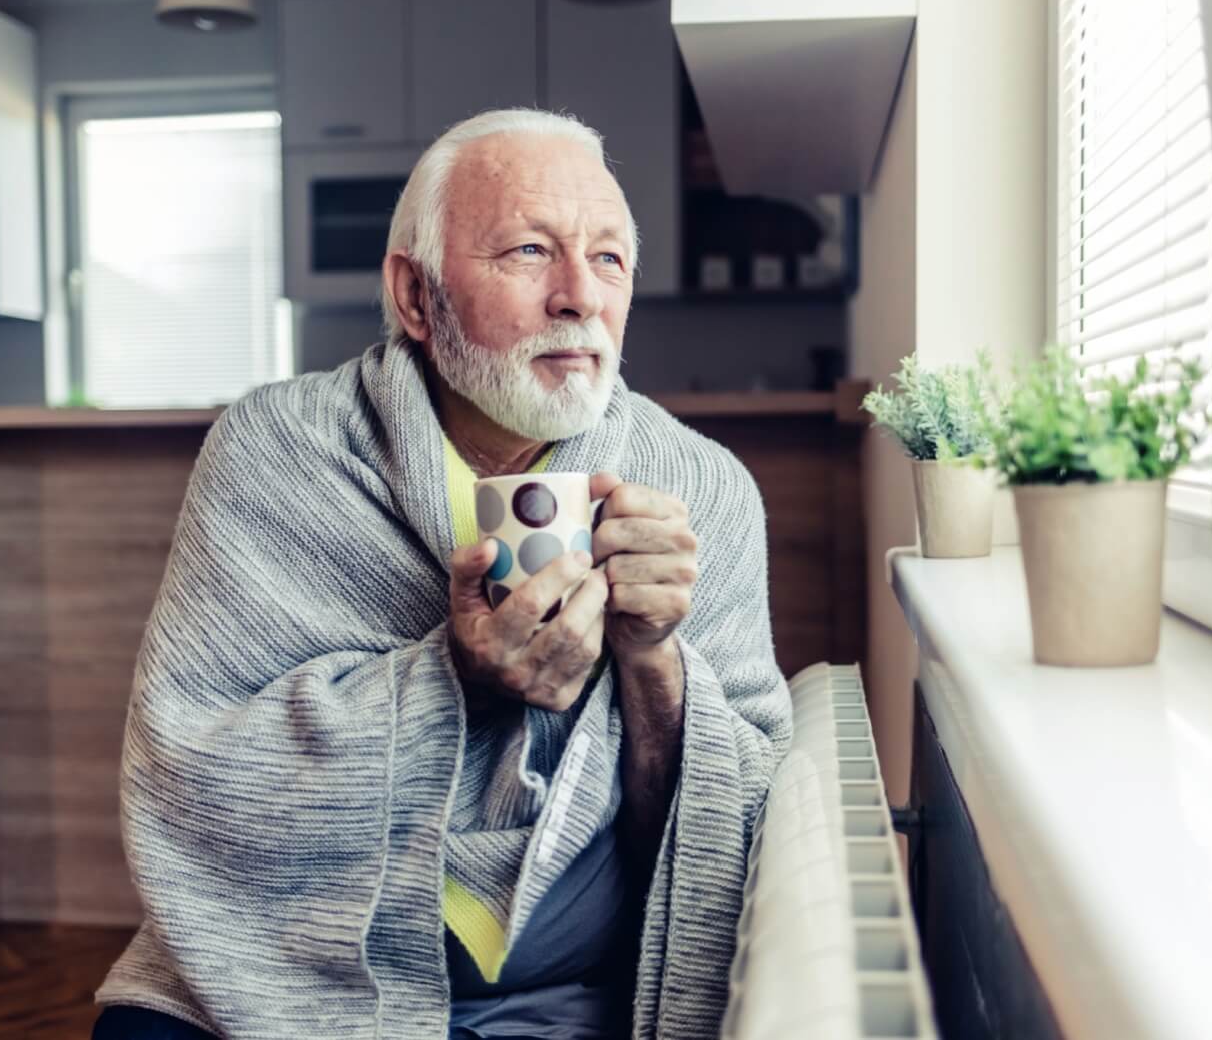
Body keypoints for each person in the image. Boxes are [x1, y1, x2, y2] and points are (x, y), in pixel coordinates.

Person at [91, 108, 791, 1040]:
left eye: (611, 259)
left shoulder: (704, 491)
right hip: (267, 960)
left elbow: (734, 832)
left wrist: (655, 663)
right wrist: (451, 678)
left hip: (565, 992)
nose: (580, 295)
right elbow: (190, 770)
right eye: (530, 251)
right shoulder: (278, 451)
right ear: (416, 296)